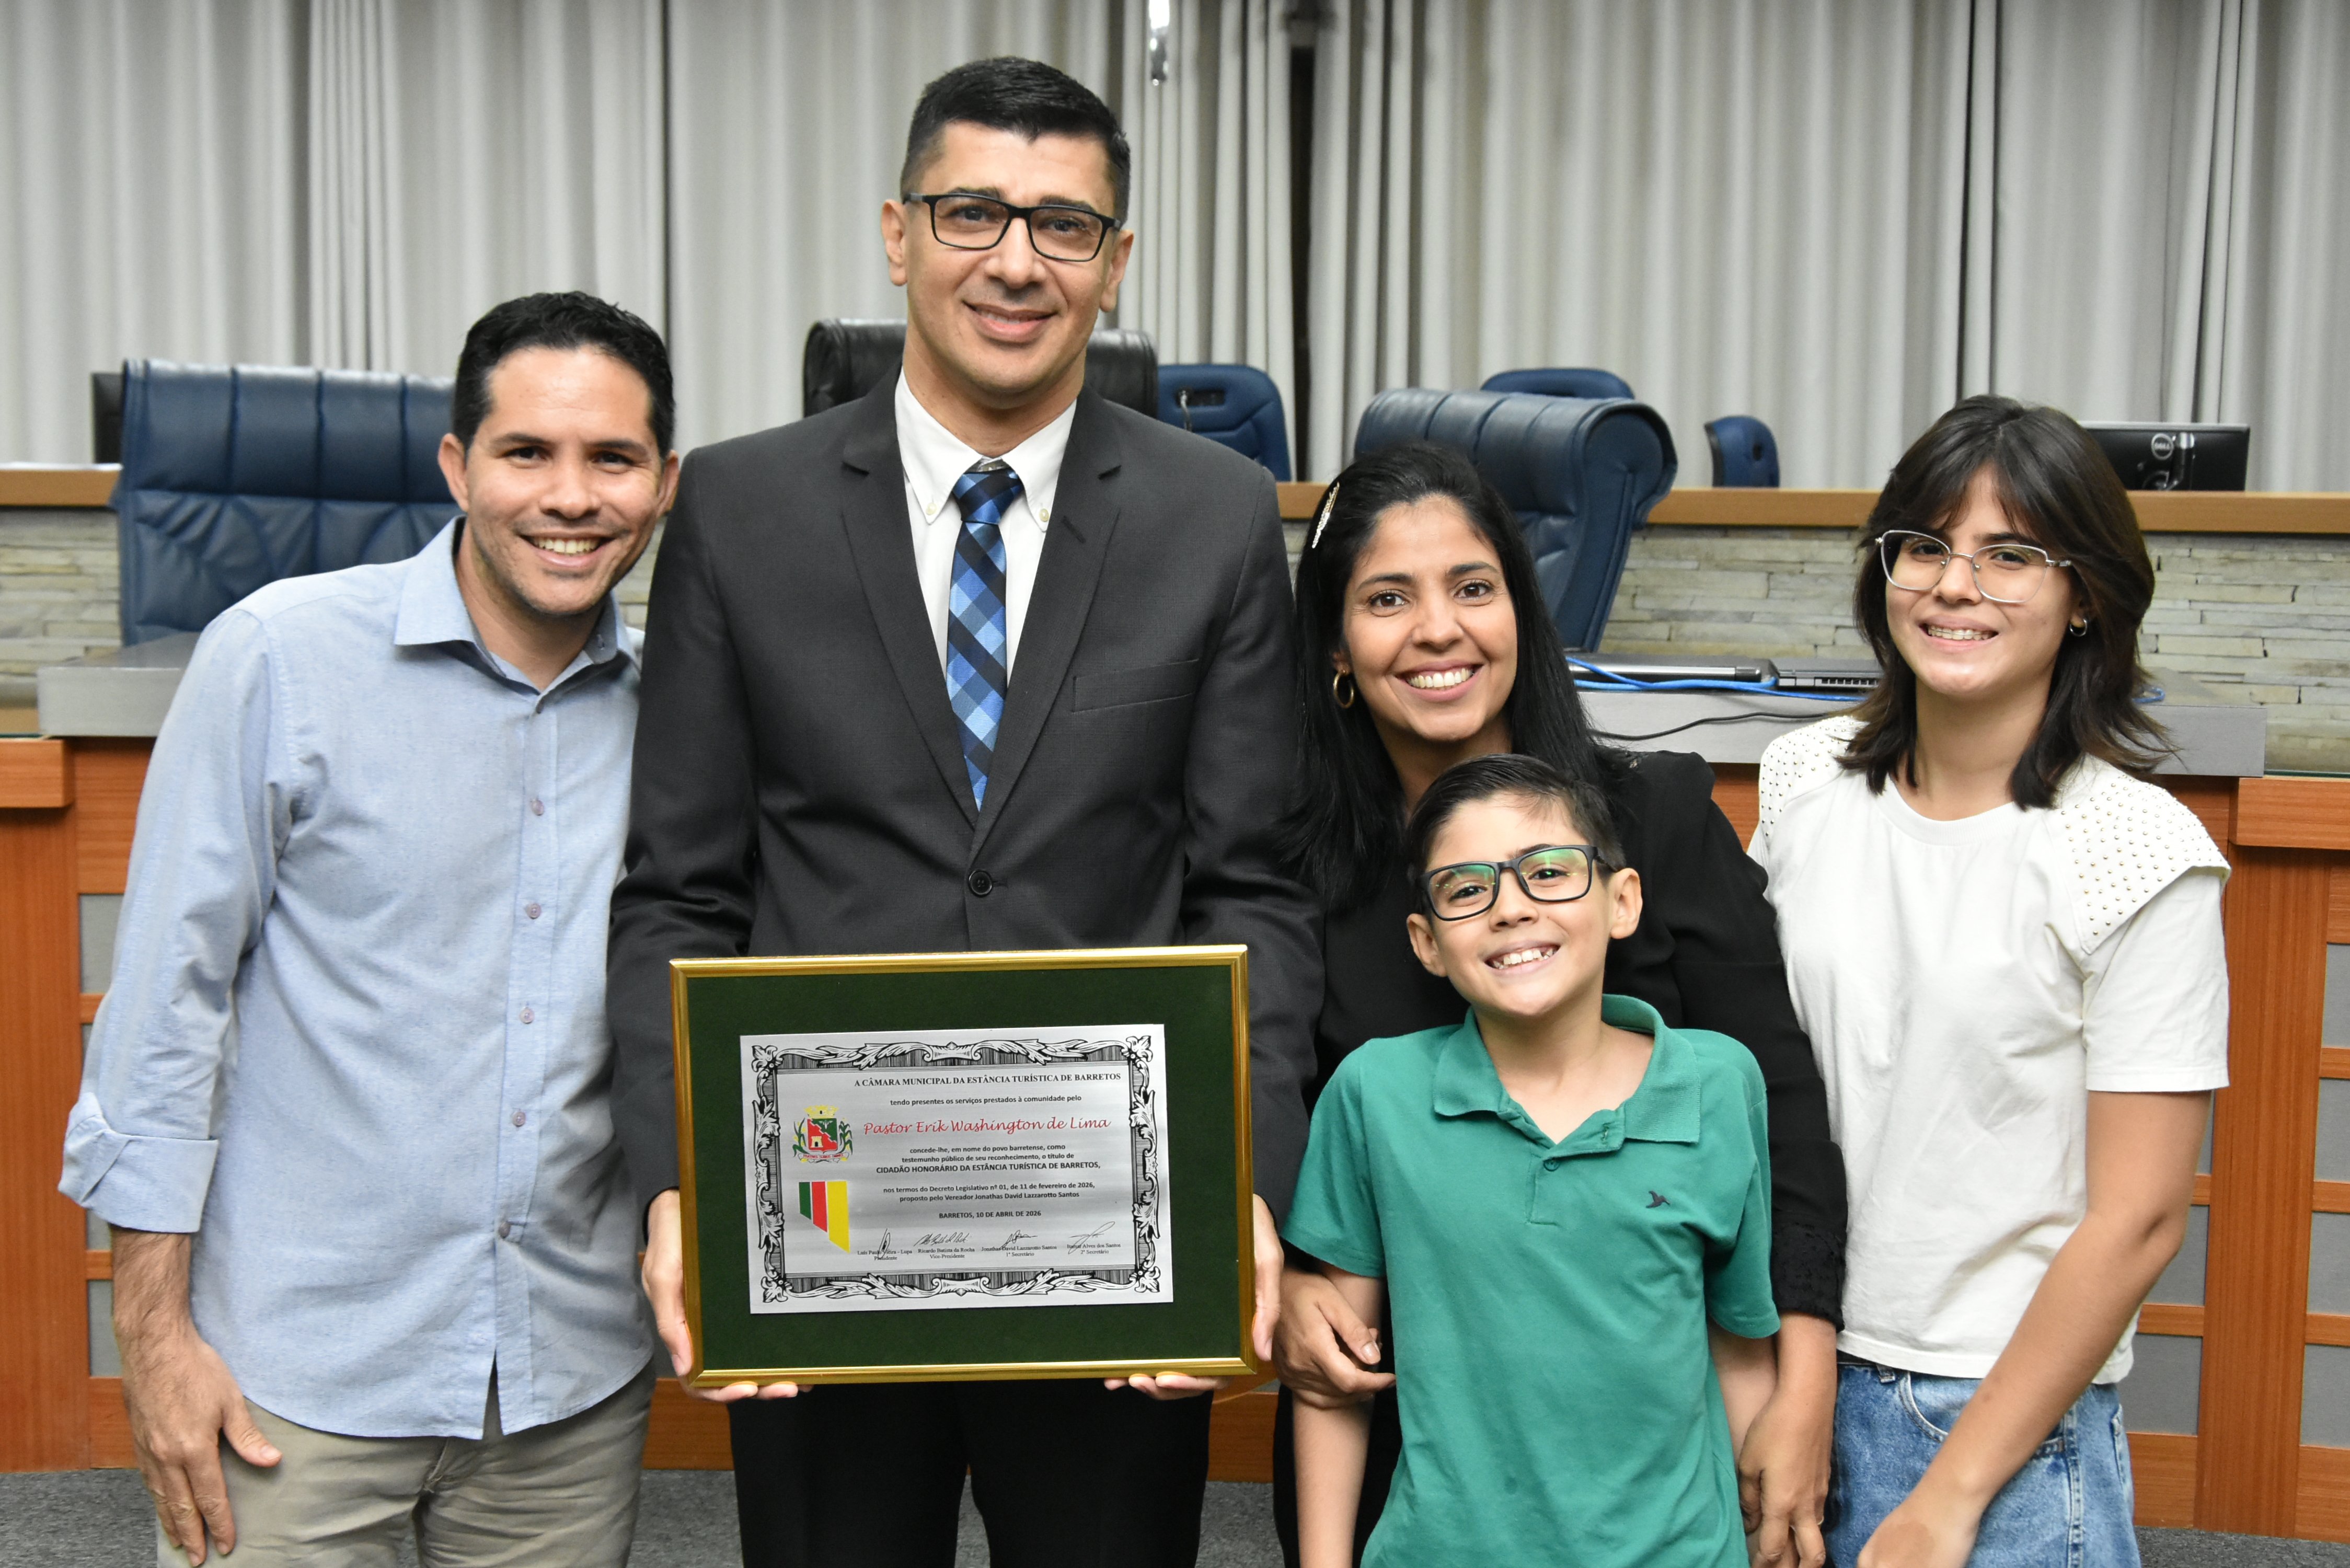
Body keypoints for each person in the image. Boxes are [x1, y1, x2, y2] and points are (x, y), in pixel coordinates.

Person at [605, 57, 1319, 1567]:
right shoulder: (739, 506)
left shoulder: (1213, 516)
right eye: (972, 212)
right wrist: (681, 1186)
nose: (1015, 260)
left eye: (1065, 225)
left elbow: (1251, 886)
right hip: (818, 1228)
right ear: (898, 233)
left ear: (1115, 263)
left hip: (1115, 1236)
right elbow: (680, 888)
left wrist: (1244, 1190)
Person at [58, 291, 678, 1566]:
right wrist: (155, 1341)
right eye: (527, 452)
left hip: (564, 1384)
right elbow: (166, 1007)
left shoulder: (686, 710)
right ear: (457, 466)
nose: (571, 496)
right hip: (296, 1375)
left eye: (612, 459)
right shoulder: (279, 658)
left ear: (664, 483)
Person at [1268, 441, 1846, 1567]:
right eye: (1388, 599)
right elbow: (1271, 1114)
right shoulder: (1294, 867)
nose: (1439, 630)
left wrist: (1805, 1386)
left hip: (1647, 1440)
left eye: (1472, 587)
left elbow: (1779, 1125)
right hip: (1408, 1434)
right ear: (1336, 650)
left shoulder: (1656, 818)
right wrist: (1286, 1277)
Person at [1749, 396, 2226, 1567]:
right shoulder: (1801, 780)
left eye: (2010, 555)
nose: (1953, 587)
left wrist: (1950, 1496)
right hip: (1792, 1359)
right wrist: (1777, 1365)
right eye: (1924, 546)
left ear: (2086, 596)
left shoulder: (2138, 850)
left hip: (1992, 1414)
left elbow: (2139, 1220)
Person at [1286, 752, 1781, 1567]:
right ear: (1427, 942)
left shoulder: (1719, 1084)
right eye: (1466, 889)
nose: (1511, 908)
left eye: (1549, 872)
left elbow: (1740, 1350)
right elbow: (1336, 1373)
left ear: (1623, 901)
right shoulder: (1376, 1094)